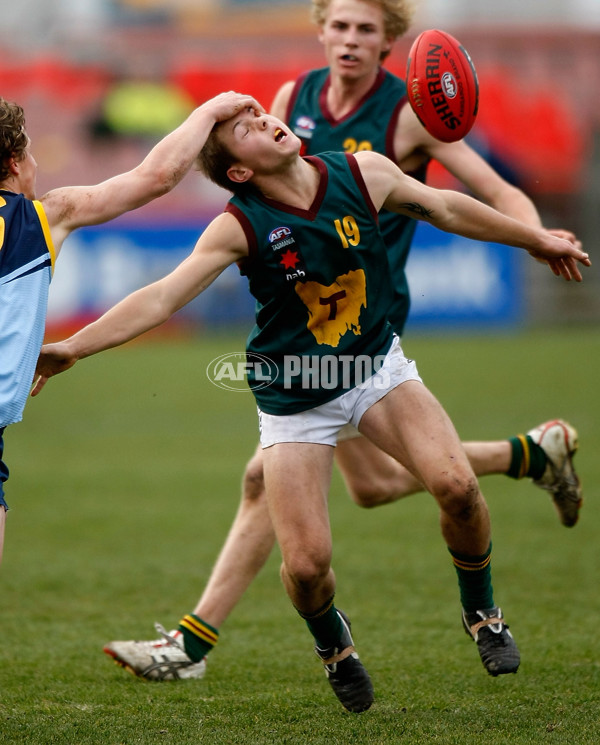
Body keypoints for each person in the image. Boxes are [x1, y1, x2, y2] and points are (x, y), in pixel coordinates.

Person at [34, 102, 590, 711]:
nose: (268, 122)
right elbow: (163, 297)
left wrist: (534, 237)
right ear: (240, 171)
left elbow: (450, 208)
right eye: (247, 129)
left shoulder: (365, 173)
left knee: (456, 486)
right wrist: (71, 350)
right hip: (295, 398)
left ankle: (483, 614)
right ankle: (336, 650)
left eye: (262, 115)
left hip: (375, 369)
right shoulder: (238, 224)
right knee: (305, 567)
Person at [0, 91, 263, 567]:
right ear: (16, 162)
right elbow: (156, 177)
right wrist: (207, 111)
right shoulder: (43, 216)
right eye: (32, 152)